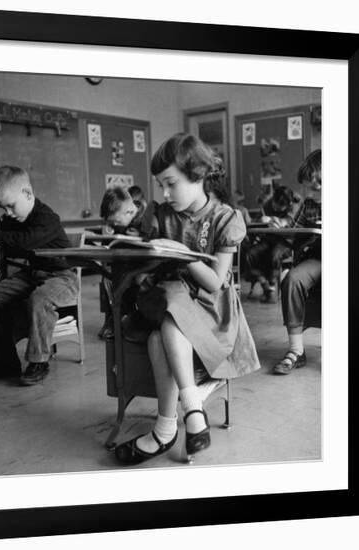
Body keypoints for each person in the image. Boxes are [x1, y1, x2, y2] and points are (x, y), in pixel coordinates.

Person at [114, 133, 260, 465]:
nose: (164, 194)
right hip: (167, 299)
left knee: (158, 338)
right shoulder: (161, 215)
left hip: (211, 311)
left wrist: (185, 254)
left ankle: (165, 430)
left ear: (198, 177)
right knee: (169, 302)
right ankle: (192, 407)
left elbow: (215, 282)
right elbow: (148, 262)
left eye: (170, 184)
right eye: (160, 185)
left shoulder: (225, 219)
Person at [0, 165, 78, 386]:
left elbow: (22, 241)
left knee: (40, 299)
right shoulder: (15, 218)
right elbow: (2, 229)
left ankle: (39, 361)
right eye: (4, 208)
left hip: (62, 277)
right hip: (33, 275)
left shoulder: (47, 218)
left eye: (11, 206)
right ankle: (5, 362)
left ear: (28, 194)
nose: (8, 213)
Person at [273, 149, 322, 374]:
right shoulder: (309, 203)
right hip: (316, 258)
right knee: (292, 279)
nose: (310, 192)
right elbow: (293, 230)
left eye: (316, 186)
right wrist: (280, 226)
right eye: (308, 187)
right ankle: (296, 350)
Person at [97, 186, 158, 339]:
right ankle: (119, 321)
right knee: (112, 281)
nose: (114, 225)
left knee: (124, 283)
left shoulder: (149, 215)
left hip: (150, 271)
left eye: (116, 222)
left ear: (130, 212)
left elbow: (158, 242)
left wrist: (143, 235)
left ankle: (124, 322)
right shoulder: (125, 218)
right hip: (128, 269)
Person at [244, 185, 299, 303]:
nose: (275, 208)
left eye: (280, 207)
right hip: (268, 239)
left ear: (288, 205)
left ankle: (272, 286)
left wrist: (281, 222)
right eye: (274, 204)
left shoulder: (293, 207)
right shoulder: (268, 204)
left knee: (275, 255)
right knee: (249, 254)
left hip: (285, 242)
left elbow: (291, 223)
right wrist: (261, 220)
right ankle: (265, 285)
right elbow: (256, 223)